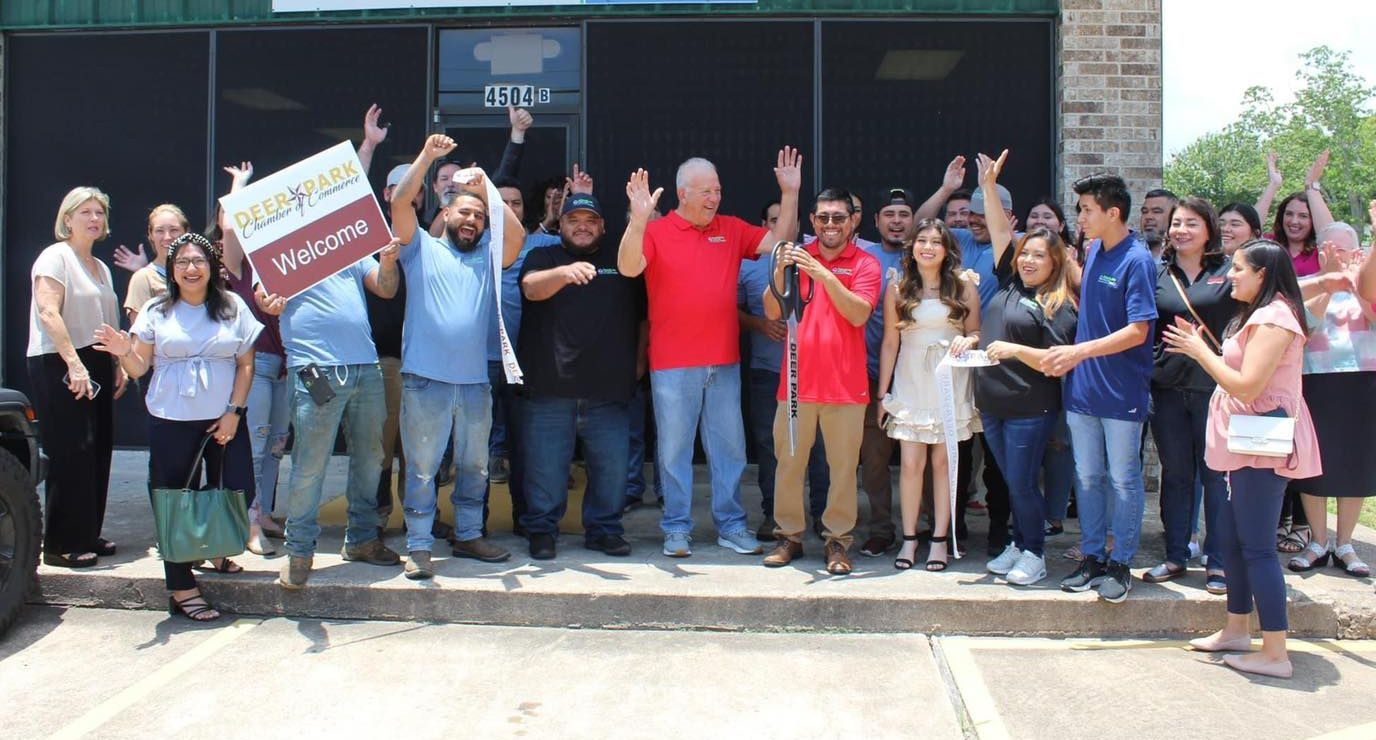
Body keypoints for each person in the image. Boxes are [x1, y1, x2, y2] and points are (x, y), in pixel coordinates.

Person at [617, 149, 801, 558]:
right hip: (671, 363)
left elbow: (781, 247)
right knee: (673, 452)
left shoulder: (731, 229)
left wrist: (790, 194)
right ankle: (677, 528)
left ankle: (731, 525)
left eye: (717, 190)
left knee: (730, 449)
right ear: (683, 194)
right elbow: (629, 267)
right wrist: (638, 218)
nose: (714, 197)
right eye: (705, 191)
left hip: (723, 361)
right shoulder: (657, 230)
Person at [1167, 239, 1321, 680]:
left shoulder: (1275, 318)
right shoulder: (1257, 314)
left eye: (1238, 268)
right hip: (1243, 445)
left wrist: (1201, 353)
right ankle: (1236, 629)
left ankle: (1275, 651)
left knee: (1256, 548)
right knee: (1233, 542)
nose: (1230, 274)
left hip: (1261, 446)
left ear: (1262, 274)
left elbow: (1248, 386)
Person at [92, 232, 261, 621]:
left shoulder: (232, 306)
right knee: (172, 502)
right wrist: (123, 353)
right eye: (182, 262)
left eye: (198, 261)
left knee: (236, 489)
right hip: (171, 420)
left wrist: (233, 411)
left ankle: (212, 547)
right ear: (171, 269)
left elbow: (246, 364)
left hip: (224, 417)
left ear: (212, 266)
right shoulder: (156, 310)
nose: (190, 268)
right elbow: (138, 368)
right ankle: (182, 585)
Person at [388, 134, 525, 578]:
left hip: (473, 383)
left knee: (475, 466)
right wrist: (427, 155)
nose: (472, 220)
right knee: (424, 471)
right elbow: (400, 204)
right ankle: (420, 545)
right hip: (425, 380)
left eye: (479, 217)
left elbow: (517, 236)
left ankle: (468, 536)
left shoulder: (487, 255)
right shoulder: (420, 250)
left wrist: (485, 186)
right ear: (445, 213)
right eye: (464, 212)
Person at [252, 241, 405, 590]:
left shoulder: (346, 245)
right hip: (314, 370)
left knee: (371, 458)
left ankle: (363, 539)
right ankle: (300, 552)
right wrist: (268, 302)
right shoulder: (281, 250)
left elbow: (386, 287)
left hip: (365, 368)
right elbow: (264, 297)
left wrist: (387, 262)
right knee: (310, 464)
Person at [1046, 173, 1157, 604]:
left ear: (1113, 213)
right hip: (1084, 392)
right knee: (1088, 478)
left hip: (1122, 393)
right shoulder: (1093, 251)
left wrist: (1078, 352)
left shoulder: (1138, 260)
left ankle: (1120, 563)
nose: (1081, 217)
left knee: (1123, 481)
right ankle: (1091, 557)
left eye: (1087, 209)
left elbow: (1138, 329)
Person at [517, 193, 646, 559]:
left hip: (609, 390)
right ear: (561, 225)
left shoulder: (621, 261)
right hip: (550, 388)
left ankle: (604, 530)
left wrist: (638, 363)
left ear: (603, 226)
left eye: (590, 220)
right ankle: (542, 530)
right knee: (545, 469)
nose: (583, 226)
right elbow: (530, 287)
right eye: (574, 220)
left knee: (611, 470)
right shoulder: (543, 257)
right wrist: (563, 274)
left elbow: (643, 318)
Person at [760, 188, 881, 575]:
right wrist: (780, 268)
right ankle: (789, 537)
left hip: (845, 387)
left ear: (853, 221)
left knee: (843, 470)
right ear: (812, 221)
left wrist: (825, 275)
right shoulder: (795, 260)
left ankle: (837, 541)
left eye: (839, 218)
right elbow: (770, 309)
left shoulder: (865, 263)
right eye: (823, 218)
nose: (831, 225)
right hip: (796, 385)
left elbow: (859, 313)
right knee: (788, 465)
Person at [971, 152, 1079, 586]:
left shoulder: (1060, 304)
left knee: (1021, 484)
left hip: (1030, 409)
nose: (1029, 260)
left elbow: (1056, 363)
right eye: (1025, 253)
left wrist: (1013, 349)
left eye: (1039, 255)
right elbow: (1000, 229)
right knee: (1012, 483)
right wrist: (989, 187)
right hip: (993, 403)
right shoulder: (1012, 283)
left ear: (1055, 262)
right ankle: (1019, 541)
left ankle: (1034, 552)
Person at [915, 156, 1013, 553]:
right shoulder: (960, 242)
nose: (974, 219)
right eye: (970, 212)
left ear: (1008, 215)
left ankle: (998, 532)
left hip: (996, 363)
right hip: (954, 360)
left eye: (982, 212)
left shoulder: (1015, 249)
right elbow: (920, 225)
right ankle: (949, 526)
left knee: (993, 454)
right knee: (954, 446)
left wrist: (988, 187)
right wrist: (945, 188)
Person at [27, 186, 125, 568]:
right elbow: (48, 312)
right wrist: (74, 363)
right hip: (60, 360)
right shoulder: (55, 257)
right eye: (85, 212)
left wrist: (116, 366)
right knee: (71, 451)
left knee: (97, 449)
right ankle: (60, 543)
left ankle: (87, 532)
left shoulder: (99, 267)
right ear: (67, 219)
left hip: (97, 360)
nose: (94, 219)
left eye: (99, 212)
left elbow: (108, 321)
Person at [1144, 197, 1237, 594]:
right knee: (1177, 475)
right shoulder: (1157, 273)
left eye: (1191, 224)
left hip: (1213, 388)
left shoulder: (1230, 272)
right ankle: (1176, 554)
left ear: (1209, 231)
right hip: (1167, 388)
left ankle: (1218, 562)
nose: (1181, 230)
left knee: (1216, 477)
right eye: (1176, 223)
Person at [877, 218, 981, 572]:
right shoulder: (898, 286)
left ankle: (940, 540)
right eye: (922, 240)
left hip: (948, 379)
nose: (928, 247)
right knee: (909, 464)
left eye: (936, 242)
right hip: (909, 379)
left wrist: (969, 339)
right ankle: (909, 539)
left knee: (944, 463)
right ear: (912, 247)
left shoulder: (964, 285)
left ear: (946, 249)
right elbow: (890, 343)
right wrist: (882, 394)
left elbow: (976, 330)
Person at [1286, 219, 1376, 577]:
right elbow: (1303, 328)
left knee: (1355, 462)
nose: (1340, 255)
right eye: (1332, 249)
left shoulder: (1367, 283)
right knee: (1314, 462)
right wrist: (1327, 280)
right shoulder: (1305, 284)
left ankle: (1346, 543)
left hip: (1361, 380)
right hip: (1314, 380)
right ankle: (1317, 541)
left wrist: (1355, 285)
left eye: (1347, 249)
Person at [485, 172, 572, 529]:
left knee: (526, 449)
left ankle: (526, 518)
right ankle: (474, 526)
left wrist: (570, 205)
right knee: (475, 450)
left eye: (516, 203)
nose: (509, 208)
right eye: (501, 203)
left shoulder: (538, 246)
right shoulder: (474, 240)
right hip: (480, 363)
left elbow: (572, 241)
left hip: (525, 363)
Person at [740, 202, 830, 540]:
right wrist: (759, 323)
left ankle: (822, 515)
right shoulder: (749, 264)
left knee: (820, 448)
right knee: (771, 447)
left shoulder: (816, 261)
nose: (785, 226)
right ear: (765, 225)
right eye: (776, 221)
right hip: (767, 371)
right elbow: (729, 311)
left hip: (814, 373)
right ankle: (775, 515)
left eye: (788, 220)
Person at [217, 164, 290, 554]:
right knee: (257, 444)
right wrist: (239, 186)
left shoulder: (290, 260)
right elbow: (229, 229)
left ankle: (264, 513)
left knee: (277, 445)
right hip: (258, 363)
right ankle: (249, 523)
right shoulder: (241, 267)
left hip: (287, 365)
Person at [856, 188, 917, 556]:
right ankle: (881, 528)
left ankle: (925, 527)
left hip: (916, 376)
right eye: (889, 214)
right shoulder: (865, 258)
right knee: (874, 460)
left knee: (921, 458)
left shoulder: (928, 254)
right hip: (871, 374)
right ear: (876, 221)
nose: (897, 221)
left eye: (904, 214)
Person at [370, 163, 416, 530]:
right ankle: (377, 518)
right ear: (386, 194)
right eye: (398, 188)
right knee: (381, 449)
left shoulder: (430, 232)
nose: (406, 194)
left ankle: (416, 521)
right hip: (383, 358)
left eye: (413, 187)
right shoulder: (364, 233)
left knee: (418, 451)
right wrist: (368, 147)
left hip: (423, 360)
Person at [1256, 150, 1334, 277]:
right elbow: (1250, 226)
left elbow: (1331, 234)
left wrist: (1311, 185)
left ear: (1313, 220)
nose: (1294, 221)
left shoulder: (1320, 251)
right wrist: (1273, 184)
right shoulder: (1270, 244)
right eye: (1289, 214)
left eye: (1303, 216)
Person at [123, 205, 189, 324]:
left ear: (186, 232)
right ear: (151, 235)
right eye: (160, 231)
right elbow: (139, 334)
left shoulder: (197, 274)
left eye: (174, 230)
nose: (167, 237)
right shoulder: (143, 278)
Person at [1139, 188, 1178, 260]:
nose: (1148, 217)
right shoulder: (1128, 254)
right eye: (1144, 212)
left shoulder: (1184, 257)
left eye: (1156, 211)